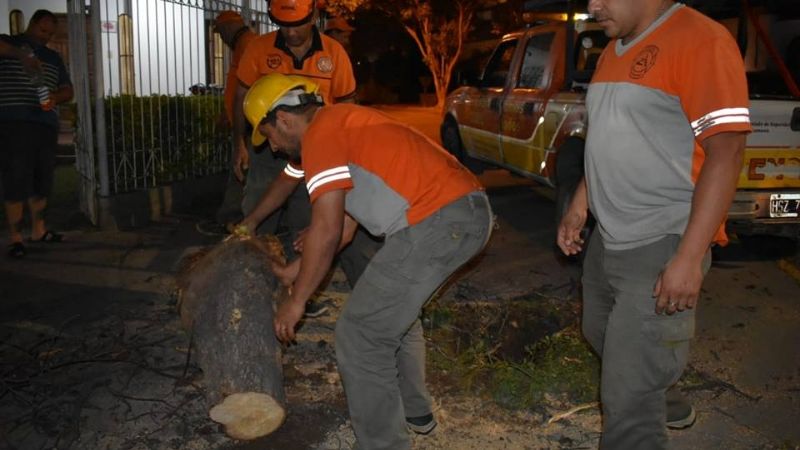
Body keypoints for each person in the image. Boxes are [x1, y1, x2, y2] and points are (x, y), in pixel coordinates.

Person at [243, 73, 493, 449]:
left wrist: (297, 302)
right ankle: (415, 413)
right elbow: (344, 228)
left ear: (282, 119)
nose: (274, 148)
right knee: (389, 315)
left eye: (270, 136)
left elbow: (326, 231)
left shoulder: (320, 135)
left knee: (360, 334)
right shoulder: (342, 124)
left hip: (439, 221)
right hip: (462, 213)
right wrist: (292, 271)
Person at [557, 1, 751, 448]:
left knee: (628, 398)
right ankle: (663, 395)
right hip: (610, 236)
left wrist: (689, 257)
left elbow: (727, 153)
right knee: (599, 332)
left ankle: (644, 401)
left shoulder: (702, 40)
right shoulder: (613, 48)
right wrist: (581, 204)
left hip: (663, 237)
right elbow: (607, 137)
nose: (592, 6)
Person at [235, 0, 382, 314]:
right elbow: (289, 176)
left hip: (436, 216)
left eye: (297, 24)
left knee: (321, 227)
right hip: (309, 146)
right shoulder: (311, 138)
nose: (290, 32)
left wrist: (298, 300)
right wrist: (252, 220)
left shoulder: (334, 58)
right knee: (315, 227)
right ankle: (273, 289)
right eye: (283, 25)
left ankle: (361, 303)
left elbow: (335, 231)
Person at [0, 10, 74, 258]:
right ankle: (16, 238)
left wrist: (55, 97)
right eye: (43, 30)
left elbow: (67, 89)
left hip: (45, 124)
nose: (46, 37)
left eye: (50, 34)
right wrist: (21, 55)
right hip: (13, 122)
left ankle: (38, 231)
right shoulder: (9, 43)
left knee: (42, 179)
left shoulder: (53, 57)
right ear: (32, 24)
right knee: (15, 178)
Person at [211, 10, 257, 228]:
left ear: (229, 27)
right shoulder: (242, 45)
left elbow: (246, 88)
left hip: (248, 123)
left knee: (242, 168)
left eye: (220, 33)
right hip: (244, 121)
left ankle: (234, 218)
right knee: (242, 168)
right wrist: (227, 112)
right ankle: (234, 216)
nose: (221, 39)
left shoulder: (247, 45)